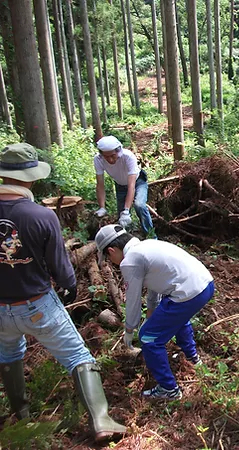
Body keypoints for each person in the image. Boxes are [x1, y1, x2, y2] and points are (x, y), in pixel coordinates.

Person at [0, 144, 126, 441]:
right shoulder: (41, 216)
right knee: (77, 356)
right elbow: (60, 267)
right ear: (30, 178)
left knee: (8, 355)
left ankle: (23, 420)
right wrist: (69, 285)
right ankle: (101, 420)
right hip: (36, 303)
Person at [95, 224, 214, 399]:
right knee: (178, 318)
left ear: (112, 251)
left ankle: (169, 389)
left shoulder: (130, 261)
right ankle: (193, 358)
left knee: (148, 338)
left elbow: (133, 300)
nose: (111, 262)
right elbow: (157, 283)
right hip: (205, 285)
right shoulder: (146, 246)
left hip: (188, 292)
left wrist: (130, 329)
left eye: (107, 257)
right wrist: (151, 310)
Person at [94, 136, 154, 236]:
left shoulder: (128, 157)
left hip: (138, 182)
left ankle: (151, 235)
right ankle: (125, 239)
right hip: (120, 185)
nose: (110, 159)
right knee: (121, 218)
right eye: (106, 157)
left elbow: (131, 186)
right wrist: (102, 207)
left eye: (112, 155)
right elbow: (100, 185)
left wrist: (127, 211)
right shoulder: (98, 160)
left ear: (118, 151)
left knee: (139, 205)